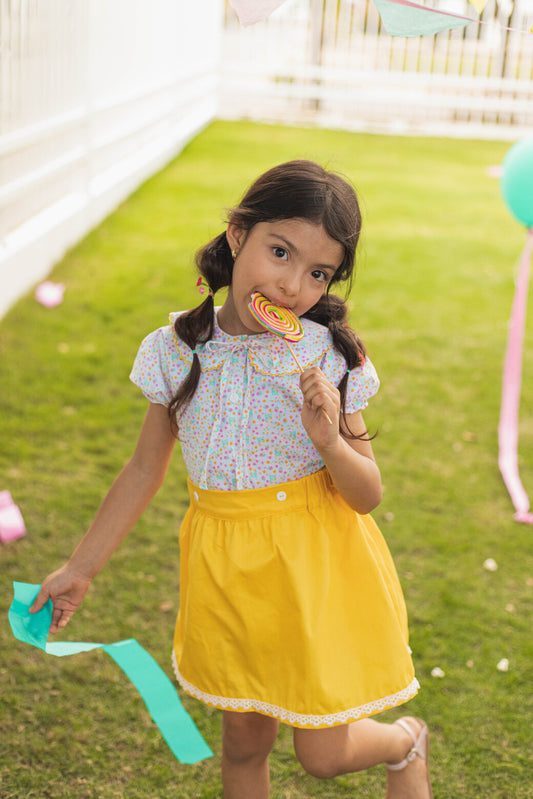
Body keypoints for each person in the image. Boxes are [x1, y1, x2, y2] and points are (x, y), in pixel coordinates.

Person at [31, 160, 432, 798]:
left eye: (318, 272)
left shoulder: (332, 357)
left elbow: (367, 495)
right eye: (280, 252)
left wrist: (329, 440)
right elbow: (142, 471)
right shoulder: (175, 350)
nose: (293, 284)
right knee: (244, 745)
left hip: (315, 564)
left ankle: (405, 741)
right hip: (228, 567)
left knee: (323, 754)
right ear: (238, 233)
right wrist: (80, 567)